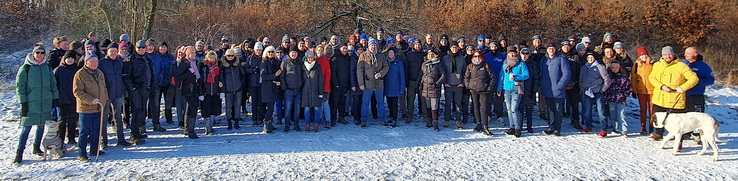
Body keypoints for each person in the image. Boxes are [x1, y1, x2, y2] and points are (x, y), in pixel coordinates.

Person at [14, 44, 59, 164]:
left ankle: (36, 147)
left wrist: (55, 98)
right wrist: (23, 102)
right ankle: (19, 152)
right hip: (31, 102)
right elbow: (20, 86)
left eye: (42, 53)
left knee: (41, 126)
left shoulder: (47, 67)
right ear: (33, 54)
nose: (40, 55)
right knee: (26, 128)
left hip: (45, 102)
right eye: (37, 52)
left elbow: (52, 83)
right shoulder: (26, 68)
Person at [649, 46, 699, 150]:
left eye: (669, 54)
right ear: (662, 55)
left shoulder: (681, 66)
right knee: (656, 117)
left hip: (676, 99)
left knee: (678, 123)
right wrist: (661, 86)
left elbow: (694, 78)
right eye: (665, 54)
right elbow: (652, 78)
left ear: (673, 55)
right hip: (660, 97)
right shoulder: (657, 65)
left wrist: (683, 88)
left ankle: (679, 142)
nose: (667, 56)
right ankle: (658, 133)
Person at [72, 52, 108, 162]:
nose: (95, 63)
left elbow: (103, 87)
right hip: (86, 108)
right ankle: (81, 153)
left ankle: (94, 149)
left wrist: (104, 99)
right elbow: (77, 91)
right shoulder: (80, 74)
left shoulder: (99, 73)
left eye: (96, 61)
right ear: (86, 62)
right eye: (92, 61)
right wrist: (90, 100)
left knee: (96, 130)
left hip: (98, 107)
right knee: (84, 131)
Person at [98, 43, 132, 147]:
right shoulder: (102, 63)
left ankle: (121, 139)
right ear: (107, 52)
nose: (113, 53)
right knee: (103, 119)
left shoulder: (120, 62)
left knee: (118, 117)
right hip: (106, 94)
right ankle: (104, 141)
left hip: (118, 93)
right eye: (111, 51)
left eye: (115, 51)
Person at [122, 40, 152, 143]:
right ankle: (133, 135)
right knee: (136, 111)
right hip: (136, 90)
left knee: (142, 112)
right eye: (139, 48)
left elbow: (150, 72)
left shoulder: (147, 58)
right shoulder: (130, 60)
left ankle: (138, 132)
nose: (141, 49)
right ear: (135, 48)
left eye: (143, 47)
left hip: (145, 89)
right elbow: (126, 76)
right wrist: (132, 89)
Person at [684, 47, 715, 144]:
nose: (685, 55)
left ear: (695, 54)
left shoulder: (703, 66)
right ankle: (686, 133)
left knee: (698, 116)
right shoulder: (684, 64)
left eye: (688, 53)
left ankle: (698, 135)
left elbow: (710, 80)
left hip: (697, 95)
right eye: (685, 53)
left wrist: (698, 82)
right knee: (685, 114)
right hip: (684, 94)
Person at [498, 46, 529, 138]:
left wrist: (516, 77)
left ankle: (517, 127)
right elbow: (501, 76)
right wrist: (499, 88)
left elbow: (526, 75)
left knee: (514, 109)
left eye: (513, 52)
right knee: (508, 108)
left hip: (517, 87)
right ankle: (511, 126)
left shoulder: (521, 64)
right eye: (509, 53)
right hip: (506, 88)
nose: (511, 54)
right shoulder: (505, 63)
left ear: (516, 53)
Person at [539, 43, 570, 136]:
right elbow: (540, 72)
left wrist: (560, 85)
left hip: (558, 90)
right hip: (547, 88)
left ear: (555, 49)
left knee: (558, 109)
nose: (551, 50)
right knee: (550, 109)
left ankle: (557, 128)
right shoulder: (544, 60)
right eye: (549, 48)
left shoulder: (561, 59)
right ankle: (550, 126)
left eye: (552, 48)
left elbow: (566, 74)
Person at [357, 39, 389, 128]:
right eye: (371, 45)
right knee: (365, 103)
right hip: (368, 84)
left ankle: (381, 119)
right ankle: (363, 120)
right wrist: (361, 84)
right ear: (368, 46)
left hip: (379, 83)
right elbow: (359, 70)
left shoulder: (381, 55)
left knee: (381, 102)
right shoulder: (363, 56)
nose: (373, 47)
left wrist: (381, 73)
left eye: (374, 45)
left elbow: (386, 66)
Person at [172, 46, 201, 139]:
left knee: (191, 109)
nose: (194, 55)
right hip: (187, 88)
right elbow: (178, 76)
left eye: (194, 53)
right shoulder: (184, 62)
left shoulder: (194, 62)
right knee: (192, 108)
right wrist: (189, 72)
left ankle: (188, 129)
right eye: (192, 53)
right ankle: (190, 130)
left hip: (194, 88)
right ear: (188, 54)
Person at [465, 50, 495, 136]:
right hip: (474, 90)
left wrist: (489, 88)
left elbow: (492, 78)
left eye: (479, 56)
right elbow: (466, 77)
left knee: (484, 108)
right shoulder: (470, 66)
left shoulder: (486, 66)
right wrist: (468, 86)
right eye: (475, 56)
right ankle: (478, 123)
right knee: (476, 107)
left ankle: (485, 125)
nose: (477, 58)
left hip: (484, 90)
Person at [579, 52, 610, 134]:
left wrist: (602, 89)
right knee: (587, 111)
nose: (590, 59)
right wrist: (582, 87)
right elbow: (581, 79)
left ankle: (603, 128)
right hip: (587, 92)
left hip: (597, 92)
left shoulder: (600, 67)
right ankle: (588, 126)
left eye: (591, 57)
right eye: (588, 57)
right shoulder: (584, 68)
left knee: (601, 110)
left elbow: (607, 80)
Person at [54, 51, 80, 146]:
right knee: (62, 120)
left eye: (72, 59)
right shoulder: (59, 70)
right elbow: (55, 85)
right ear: (64, 59)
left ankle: (71, 138)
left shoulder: (77, 70)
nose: (70, 60)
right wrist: (55, 98)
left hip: (73, 99)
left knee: (72, 120)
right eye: (68, 58)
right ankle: (60, 138)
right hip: (62, 99)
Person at [418, 50, 446, 131]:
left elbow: (443, 75)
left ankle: (435, 122)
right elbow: (421, 74)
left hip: (434, 88)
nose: (430, 56)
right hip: (425, 88)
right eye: (429, 54)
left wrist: (437, 84)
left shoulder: (438, 64)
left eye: (432, 54)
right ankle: (429, 121)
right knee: (428, 106)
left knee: (434, 106)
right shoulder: (424, 64)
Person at [630, 47, 655, 135]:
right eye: (641, 55)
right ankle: (643, 126)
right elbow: (633, 78)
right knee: (643, 109)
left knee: (652, 110)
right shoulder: (636, 65)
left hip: (652, 90)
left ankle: (651, 126)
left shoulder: (653, 64)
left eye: (645, 55)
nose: (643, 57)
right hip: (641, 90)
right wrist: (634, 90)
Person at [441, 44, 467, 129]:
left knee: (458, 104)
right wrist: (444, 82)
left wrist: (462, 82)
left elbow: (465, 72)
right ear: (450, 48)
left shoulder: (461, 58)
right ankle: (446, 120)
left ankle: (458, 120)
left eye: (456, 47)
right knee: (448, 103)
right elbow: (442, 71)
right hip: (448, 84)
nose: (454, 49)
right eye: (453, 47)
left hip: (458, 85)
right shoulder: (445, 58)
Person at [280, 46, 305, 133]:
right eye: (292, 52)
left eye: (295, 52)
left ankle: (296, 125)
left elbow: (303, 74)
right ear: (289, 53)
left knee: (297, 108)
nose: (293, 54)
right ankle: (287, 125)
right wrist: (285, 87)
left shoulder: (300, 62)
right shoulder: (285, 62)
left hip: (298, 89)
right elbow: (282, 76)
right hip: (289, 90)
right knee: (288, 108)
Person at [220, 47, 245, 130]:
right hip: (228, 89)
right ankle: (229, 122)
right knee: (228, 106)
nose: (230, 57)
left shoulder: (238, 65)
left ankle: (237, 122)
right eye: (228, 56)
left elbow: (243, 74)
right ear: (225, 56)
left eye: (232, 55)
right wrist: (223, 87)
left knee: (238, 105)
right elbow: (221, 78)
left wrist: (242, 84)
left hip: (238, 88)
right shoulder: (223, 66)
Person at [605, 63, 632, 137]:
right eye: (613, 67)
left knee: (621, 115)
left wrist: (624, 95)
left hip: (621, 99)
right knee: (613, 114)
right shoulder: (609, 77)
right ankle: (615, 129)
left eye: (616, 67)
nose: (614, 69)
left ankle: (623, 130)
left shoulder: (624, 78)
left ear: (619, 68)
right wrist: (606, 97)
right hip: (611, 98)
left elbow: (629, 87)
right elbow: (606, 88)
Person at [260, 46, 282, 133]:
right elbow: (264, 76)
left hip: (274, 87)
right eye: (269, 52)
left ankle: (270, 123)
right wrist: (274, 76)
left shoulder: (276, 62)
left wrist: (278, 80)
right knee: (269, 107)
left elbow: (280, 73)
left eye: (272, 52)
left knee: (272, 107)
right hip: (267, 87)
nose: (271, 53)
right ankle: (266, 124)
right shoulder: (264, 62)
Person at [199, 51, 222, 135]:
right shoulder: (204, 67)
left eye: (213, 58)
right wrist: (201, 93)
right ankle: (207, 127)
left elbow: (220, 78)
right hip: (206, 92)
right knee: (206, 110)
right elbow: (201, 81)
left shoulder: (218, 67)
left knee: (213, 110)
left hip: (215, 91)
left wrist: (221, 88)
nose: (212, 60)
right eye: (210, 58)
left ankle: (211, 126)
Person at [403, 41, 426, 124]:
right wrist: (406, 80)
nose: (418, 46)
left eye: (419, 45)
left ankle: (425, 116)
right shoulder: (409, 55)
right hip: (412, 80)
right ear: (414, 45)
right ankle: (410, 116)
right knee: (410, 99)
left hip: (423, 81)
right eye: (416, 45)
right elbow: (406, 68)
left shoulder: (424, 55)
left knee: (423, 100)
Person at [562, 41, 583, 130]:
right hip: (562, 84)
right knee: (560, 103)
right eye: (564, 46)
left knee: (574, 104)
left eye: (568, 46)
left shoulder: (575, 56)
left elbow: (578, 70)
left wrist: (576, 82)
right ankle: (558, 120)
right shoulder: (559, 56)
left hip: (573, 83)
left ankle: (575, 120)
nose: (566, 48)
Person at [302, 51, 324, 132]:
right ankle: (307, 124)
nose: (310, 58)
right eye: (309, 57)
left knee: (317, 108)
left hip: (315, 90)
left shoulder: (318, 66)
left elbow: (321, 80)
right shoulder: (303, 66)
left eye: (312, 56)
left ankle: (316, 124)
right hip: (305, 91)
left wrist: (321, 92)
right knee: (307, 109)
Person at [383, 47, 406, 128]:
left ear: (394, 54)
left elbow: (402, 76)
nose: (390, 54)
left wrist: (402, 87)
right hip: (387, 86)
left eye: (392, 53)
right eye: (389, 53)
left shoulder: (399, 63)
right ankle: (391, 116)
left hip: (396, 86)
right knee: (389, 103)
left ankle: (395, 119)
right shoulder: (385, 62)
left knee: (394, 103)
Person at [519, 48, 540, 133]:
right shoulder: (518, 63)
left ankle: (529, 126)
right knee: (519, 108)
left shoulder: (533, 64)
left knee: (529, 109)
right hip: (519, 87)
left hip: (530, 88)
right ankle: (519, 125)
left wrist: (534, 89)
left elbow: (536, 77)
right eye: (523, 54)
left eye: (526, 54)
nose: (525, 56)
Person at [330, 44, 352, 125]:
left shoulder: (347, 58)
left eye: (346, 48)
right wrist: (335, 84)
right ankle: (333, 119)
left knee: (342, 102)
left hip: (345, 84)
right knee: (335, 103)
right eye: (343, 48)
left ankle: (341, 117)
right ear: (340, 48)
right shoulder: (335, 58)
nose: (345, 50)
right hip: (336, 85)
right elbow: (333, 72)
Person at [155, 41, 176, 125]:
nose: (163, 48)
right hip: (158, 83)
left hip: (168, 83)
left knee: (168, 102)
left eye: (164, 47)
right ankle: (156, 119)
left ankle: (169, 118)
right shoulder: (156, 57)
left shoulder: (170, 57)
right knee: (157, 102)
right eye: (161, 47)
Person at [245, 42, 264, 127]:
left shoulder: (264, 58)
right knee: (254, 101)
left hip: (261, 82)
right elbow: (246, 70)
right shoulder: (250, 59)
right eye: (257, 50)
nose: (258, 51)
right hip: (252, 83)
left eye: (260, 50)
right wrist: (253, 70)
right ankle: (254, 117)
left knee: (261, 101)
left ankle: (260, 117)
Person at [316, 45, 333, 128]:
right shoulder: (314, 60)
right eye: (318, 50)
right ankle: (318, 119)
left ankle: (328, 120)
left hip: (324, 86)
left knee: (325, 104)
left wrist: (326, 87)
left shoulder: (325, 61)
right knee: (318, 104)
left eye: (321, 50)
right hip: (316, 86)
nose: (319, 52)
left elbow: (327, 75)